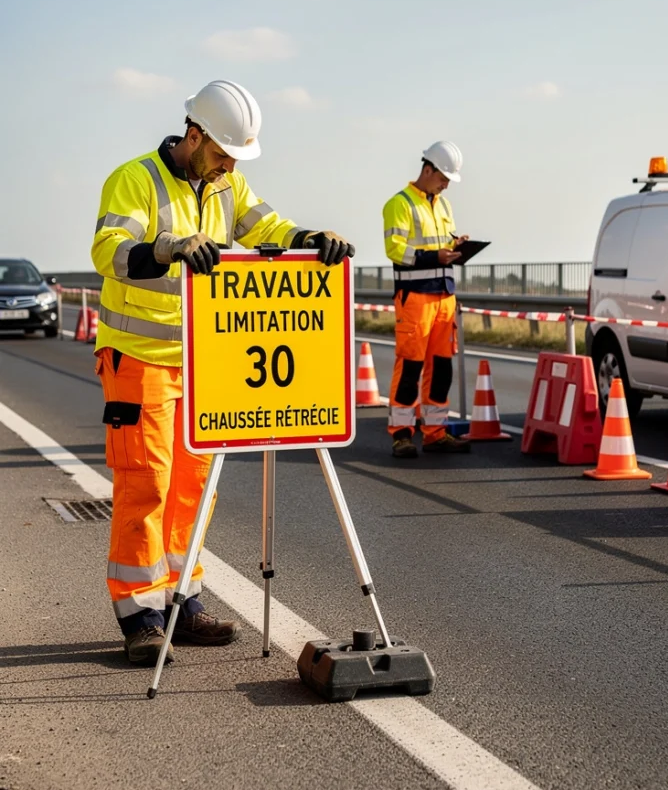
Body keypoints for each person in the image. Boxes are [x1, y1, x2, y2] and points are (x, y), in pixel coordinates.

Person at [91, 79, 354, 665]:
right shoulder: (135, 178)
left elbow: (268, 228)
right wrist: (170, 246)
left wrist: (311, 240)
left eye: (237, 157)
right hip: (139, 360)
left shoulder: (228, 183)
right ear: (193, 134)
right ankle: (141, 616)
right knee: (148, 483)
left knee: (192, 488)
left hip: (204, 365)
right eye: (222, 152)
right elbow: (109, 249)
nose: (230, 164)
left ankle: (182, 601)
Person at [382, 141, 471, 459]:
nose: (446, 184)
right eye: (443, 177)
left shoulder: (444, 205)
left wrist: (455, 244)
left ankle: (435, 433)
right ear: (427, 168)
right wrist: (435, 254)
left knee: (442, 368)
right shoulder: (400, 203)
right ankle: (402, 435)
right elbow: (395, 250)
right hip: (415, 298)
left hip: (445, 295)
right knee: (410, 367)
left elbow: (441, 242)